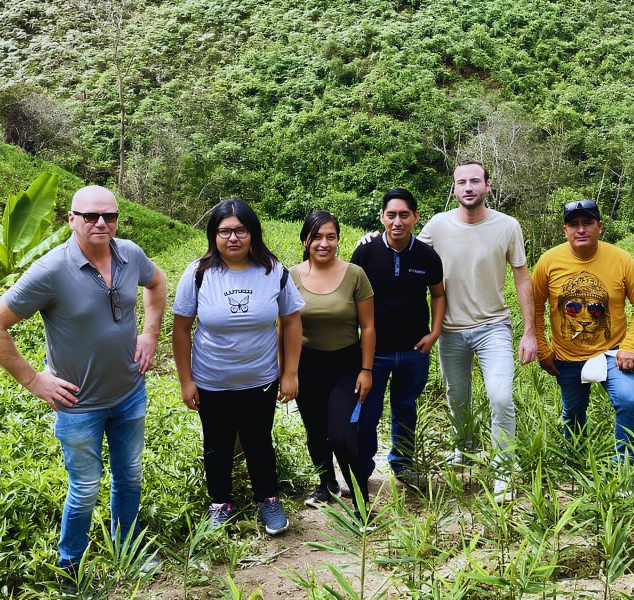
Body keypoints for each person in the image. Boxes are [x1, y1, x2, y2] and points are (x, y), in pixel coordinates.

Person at [0, 185, 167, 573]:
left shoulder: (129, 253)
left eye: (109, 216)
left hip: (129, 393)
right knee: (84, 490)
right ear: (71, 220)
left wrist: (149, 334)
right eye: (91, 216)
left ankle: (127, 548)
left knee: (129, 478)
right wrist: (35, 381)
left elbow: (157, 283)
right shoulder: (50, 270)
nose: (101, 223)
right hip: (79, 405)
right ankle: (70, 564)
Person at [172, 199, 304, 535]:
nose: (233, 238)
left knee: (259, 440)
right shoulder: (198, 274)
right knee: (216, 443)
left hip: (260, 379)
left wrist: (289, 373)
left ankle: (268, 501)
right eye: (224, 231)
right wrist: (186, 381)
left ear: (253, 233)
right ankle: (220, 503)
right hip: (211, 380)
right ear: (213, 236)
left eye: (240, 230)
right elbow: (182, 328)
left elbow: (291, 322)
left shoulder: (274, 271)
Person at [417, 160, 537, 502]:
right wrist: (373, 240)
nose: (468, 187)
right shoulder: (438, 226)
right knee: (458, 398)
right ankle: (464, 447)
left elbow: (522, 277)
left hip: (493, 327)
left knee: (500, 396)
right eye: (461, 182)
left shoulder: (507, 226)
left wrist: (530, 332)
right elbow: (405, 251)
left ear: (486, 185)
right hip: (451, 330)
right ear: (454, 189)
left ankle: (502, 469)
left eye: (474, 181)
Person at [532, 199, 634, 458]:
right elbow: (534, 308)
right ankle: (575, 459)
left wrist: (629, 347)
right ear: (564, 230)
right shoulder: (548, 262)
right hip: (567, 356)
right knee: (574, 412)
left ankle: (625, 468)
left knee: (629, 401)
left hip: (612, 353)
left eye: (587, 222)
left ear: (600, 226)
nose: (581, 229)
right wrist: (543, 350)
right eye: (573, 224)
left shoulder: (621, 259)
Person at [350, 188, 445, 487]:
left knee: (406, 409)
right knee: (366, 413)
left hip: (413, 351)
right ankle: (361, 468)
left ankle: (402, 465)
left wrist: (435, 332)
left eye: (404, 215)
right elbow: (350, 294)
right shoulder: (366, 251)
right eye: (391, 215)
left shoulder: (427, 256)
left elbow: (438, 294)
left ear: (416, 217)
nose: (397, 221)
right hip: (372, 354)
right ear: (381, 217)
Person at [291, 211, 377, 511]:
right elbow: (286, 327)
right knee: (315, 433)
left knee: (341, 435)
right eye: (316, 237)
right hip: (307, 364)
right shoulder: (292, 276)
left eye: (331, 236)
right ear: (305, 240)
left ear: (338, 240)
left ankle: (362, 501)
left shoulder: (355, 274)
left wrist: (366, 370)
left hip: (347, 364)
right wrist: (287, 372)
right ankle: (326, 484)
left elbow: (367, 326)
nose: (324, 243)